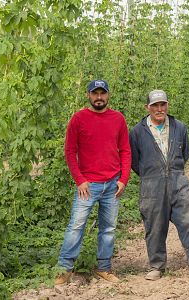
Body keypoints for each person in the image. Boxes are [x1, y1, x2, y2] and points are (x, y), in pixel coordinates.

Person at [129, 89, 189, 280]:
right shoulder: (137, 132)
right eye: (155, 106)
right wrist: (152, 174)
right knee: (154, 227)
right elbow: (135, 161)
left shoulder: (180, 127)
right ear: (147, 108)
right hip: (151, 186)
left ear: (167, 105)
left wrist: (172, 172)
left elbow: (184, 155)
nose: (159, 109)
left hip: (178, 182)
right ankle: (156, 266)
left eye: (162, 105)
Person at [56, 79, 132, 284]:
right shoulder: (79, 119)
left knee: (108, 228)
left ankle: (104, 268)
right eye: (95, 93)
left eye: (102, 93)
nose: (99, 97)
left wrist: (123, 179)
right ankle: (64, 269)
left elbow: (125, 150)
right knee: (76, 226)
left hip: (112, 184)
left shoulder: (118, 119)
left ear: (108, 95)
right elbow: (70, 152)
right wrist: (79, 180)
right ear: (89, 95)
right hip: (87, 186)